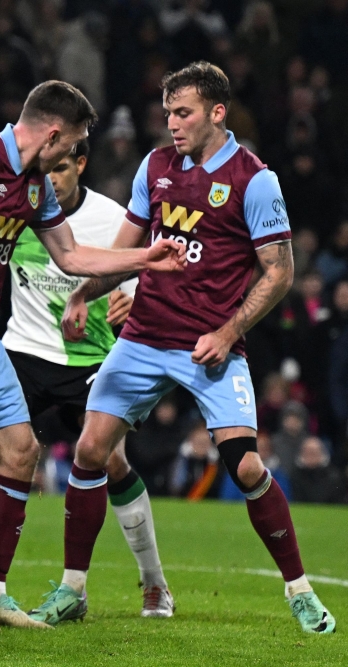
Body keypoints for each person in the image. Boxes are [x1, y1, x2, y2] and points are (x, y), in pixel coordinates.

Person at [34, 61, 336, 635]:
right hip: (144, 336)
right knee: (89, 451)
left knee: (247, 466)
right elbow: (128, 251)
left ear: (217, 113)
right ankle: (73, 588)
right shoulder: (156, 166)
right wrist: (84, 295)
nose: (171, 123)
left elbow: (279, 272)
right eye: (168, 112)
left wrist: (227, 332)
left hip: (211, 347)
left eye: (183, 113)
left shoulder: (255, 179)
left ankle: (299, 591)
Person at [0, 81, 185, 632]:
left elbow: (72, 256)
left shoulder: (36, 189)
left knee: (21, 451)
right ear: (54, 133)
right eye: (72, 141)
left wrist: (146, 257)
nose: (71, 155)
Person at [0, 138, 173, 616]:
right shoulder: (20, 208)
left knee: (108, 459)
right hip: (25, 351)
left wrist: (136, 303)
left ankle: (153, 581)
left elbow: (150, 281)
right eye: (43, 169)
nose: (49, 178)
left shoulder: (114, 220)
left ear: (80, 165)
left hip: (91, 357)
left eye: (59, 169)